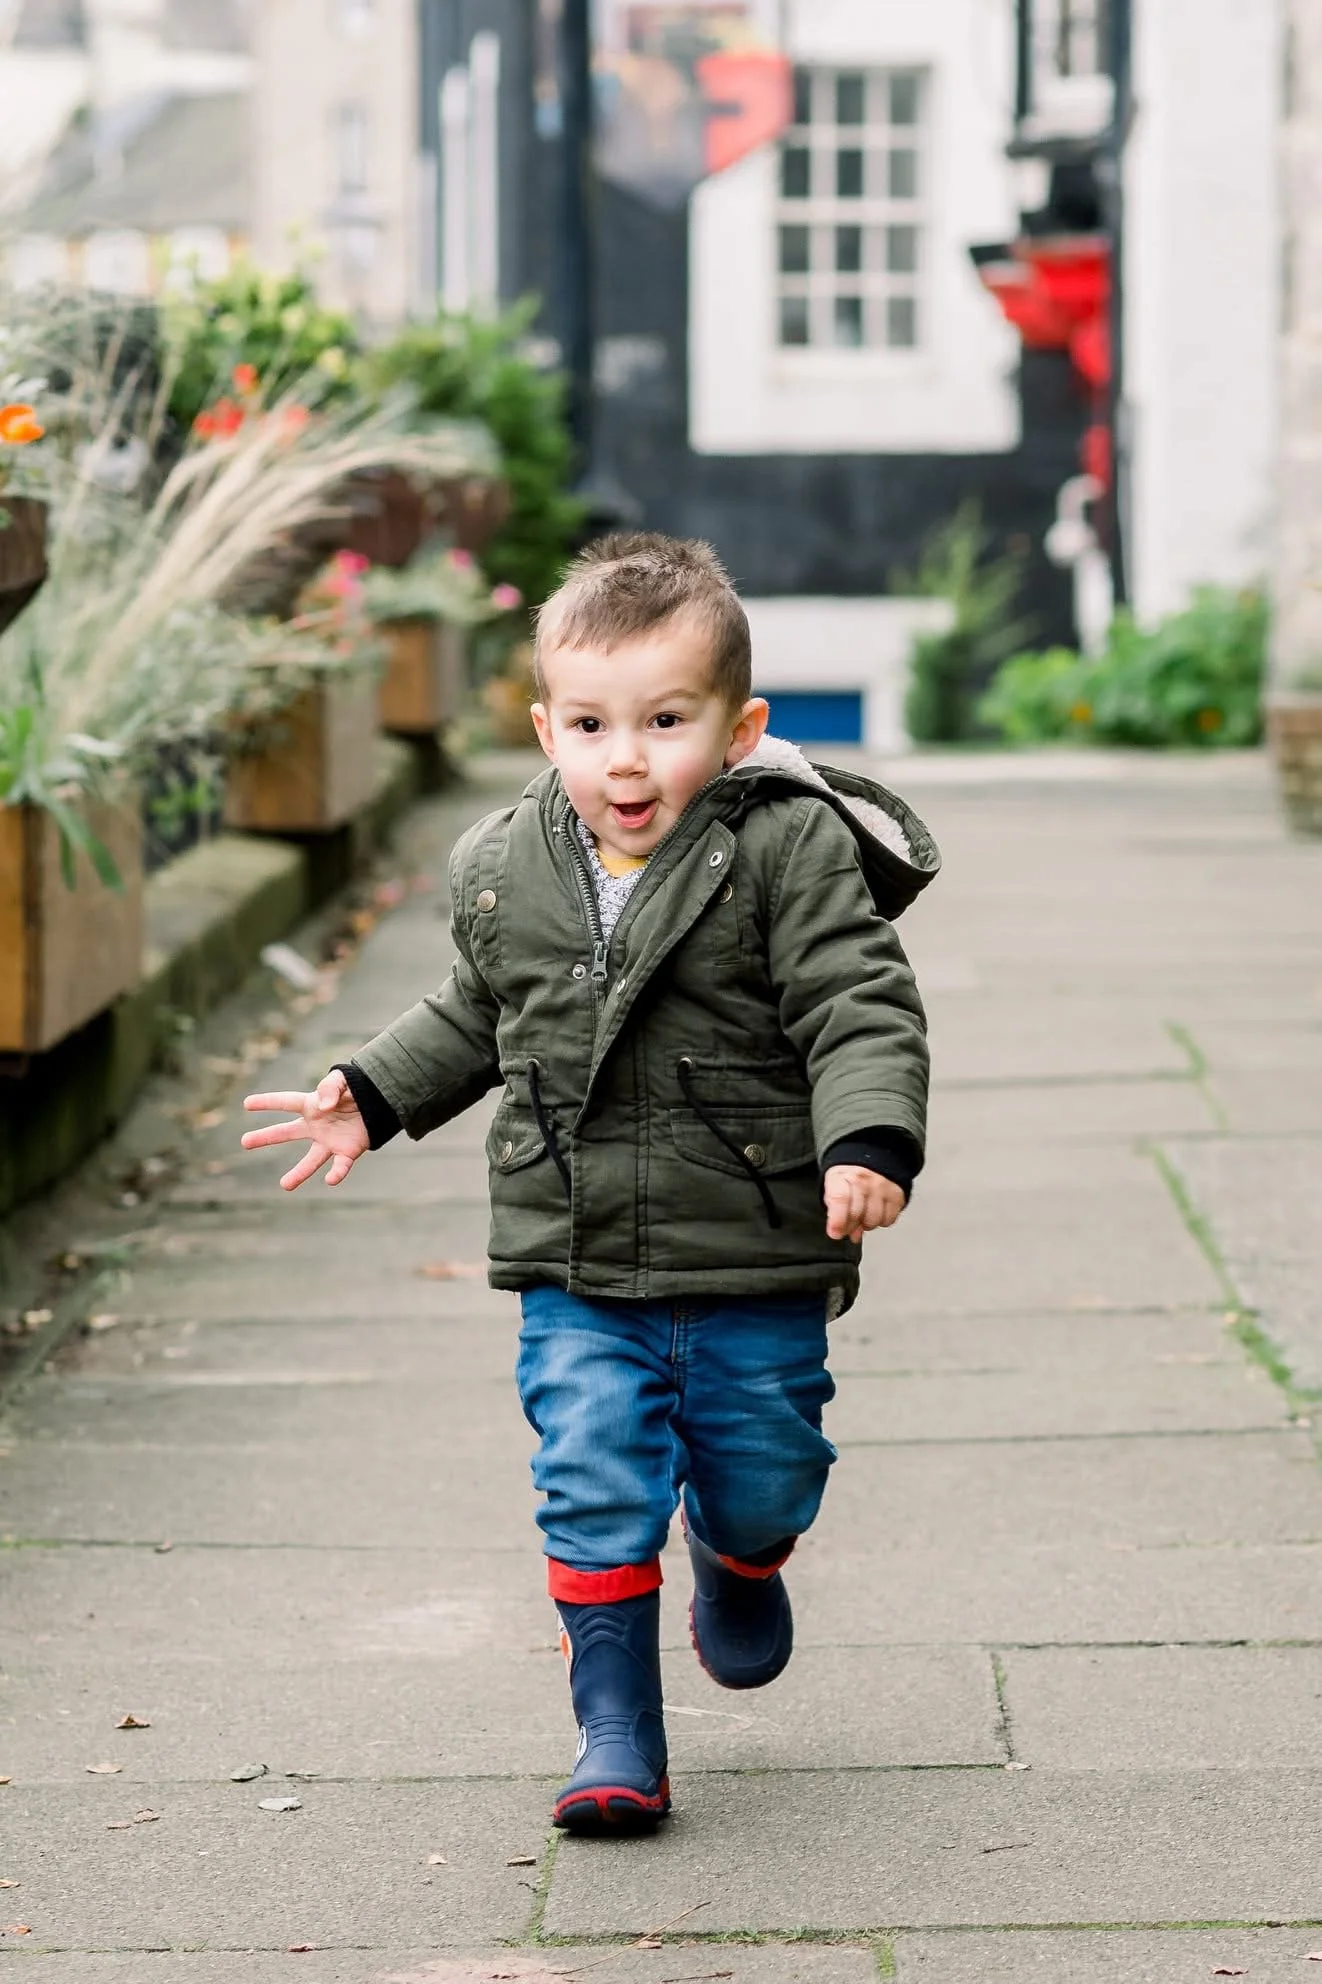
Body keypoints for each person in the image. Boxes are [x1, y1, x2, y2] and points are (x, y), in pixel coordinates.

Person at [241, 533, 938, 1835]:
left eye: (665, 721)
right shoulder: (507, 864)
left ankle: (742, 1560)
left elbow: (858, 1007)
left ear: (738, 730)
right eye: (590, 723)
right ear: (544, 725)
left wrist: (866, 1142)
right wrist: (373, 1094)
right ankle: (615, 1732)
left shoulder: (786, 850)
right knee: (589, 1475)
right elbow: (474, 1011)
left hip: (753, 1238)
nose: (626, 756)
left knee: (762, 1469)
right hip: (575, 1248)